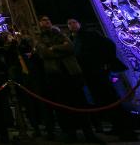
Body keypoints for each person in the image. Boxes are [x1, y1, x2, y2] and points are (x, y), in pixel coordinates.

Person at [67, 18, 136, 140]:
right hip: (88, 75)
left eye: (74, 22)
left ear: (79, 23)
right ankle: (117, 126)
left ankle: (127, 129)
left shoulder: (91, 34)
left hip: (98, 72)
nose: (72, 25)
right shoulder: (73, 39)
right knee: (103, 101)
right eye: (69, 23)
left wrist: (106, 63)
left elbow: (109, 45)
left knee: (111, 98)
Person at [36, 15, 101, 143]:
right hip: (56, 75)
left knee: (80, 103)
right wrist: (61, 48)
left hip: (71, 73)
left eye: (48, 19)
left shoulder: (60, 34)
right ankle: (70, 133)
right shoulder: (39, 38)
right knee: (62, 105)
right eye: (43, 20)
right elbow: (44, 53)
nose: (47, 21)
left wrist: (54, 48)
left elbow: (70, 47)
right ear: (39, 23)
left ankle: (88, 132)